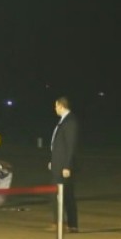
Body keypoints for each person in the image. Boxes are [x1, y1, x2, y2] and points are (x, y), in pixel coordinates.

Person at [49, 97, 80, 232]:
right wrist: (53, 161)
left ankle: (65, 224)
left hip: (63, 166)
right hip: (58, 164)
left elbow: (71, 145)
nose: (55, 109)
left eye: (56, 106)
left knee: (62, 195)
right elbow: (59, 145)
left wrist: (67, 166)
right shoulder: (63, 121)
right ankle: (68, 224)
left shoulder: (70, 121)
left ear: (61, 106)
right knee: (63, 195)